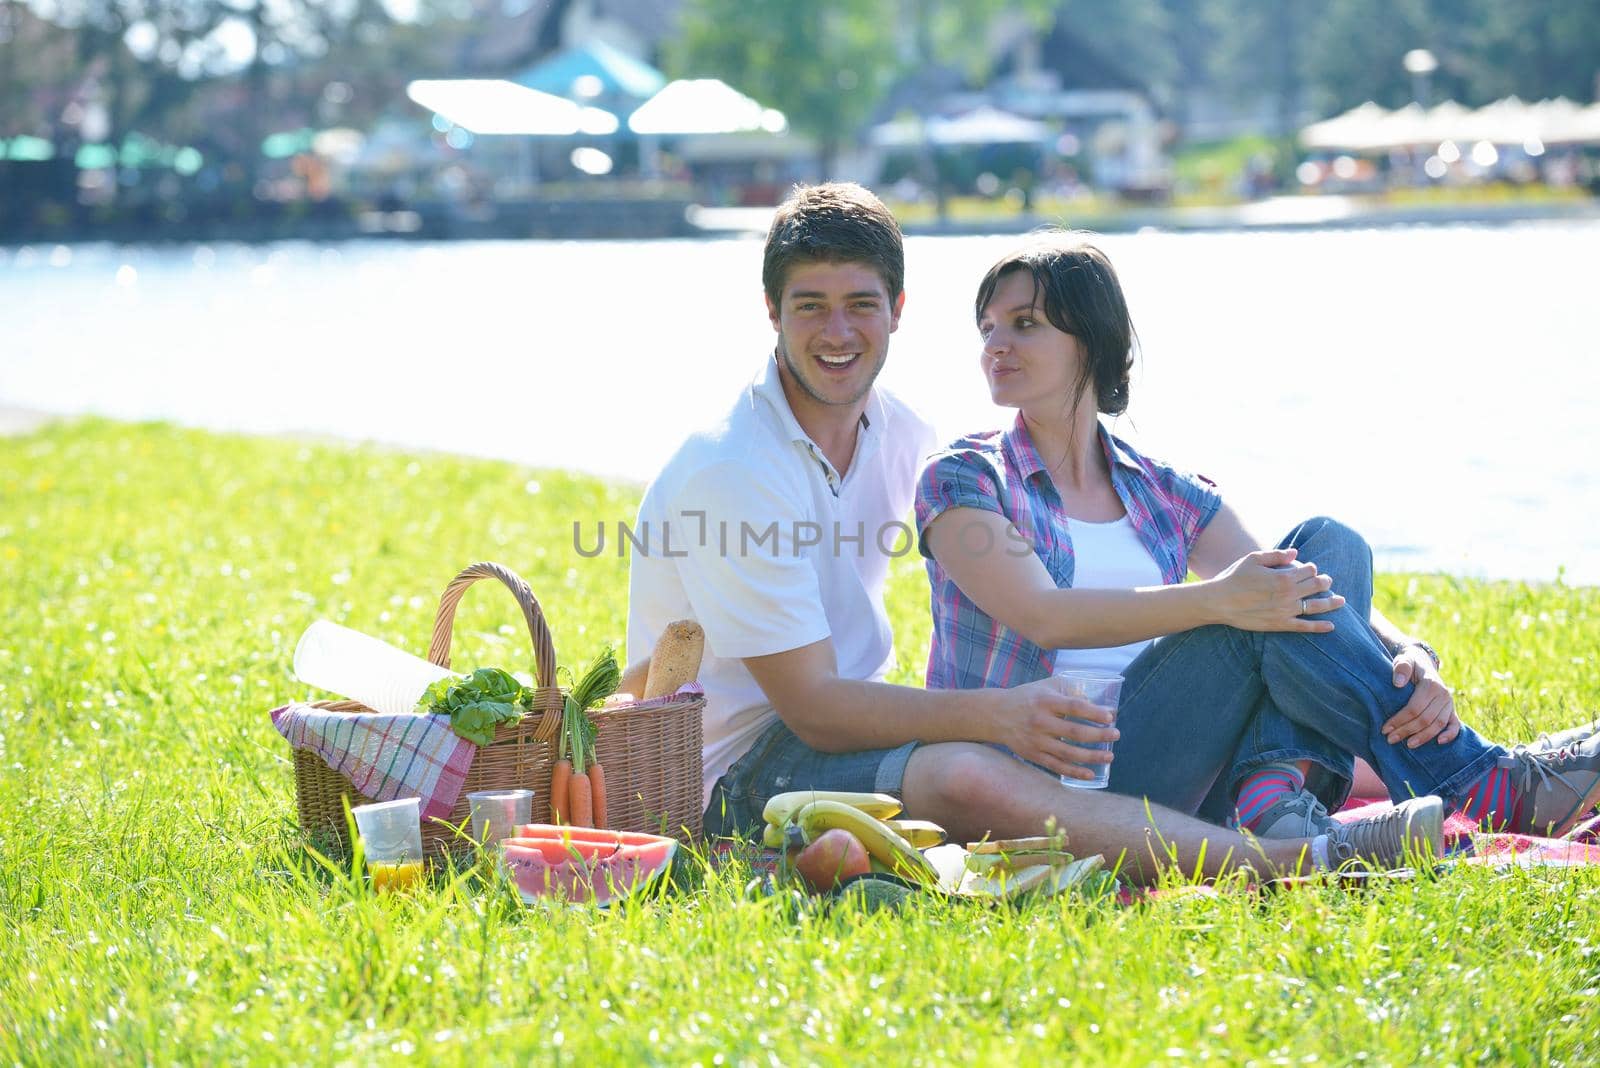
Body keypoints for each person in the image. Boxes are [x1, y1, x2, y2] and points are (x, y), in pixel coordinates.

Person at [626, 183, 1444, 884]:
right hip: (734, 773)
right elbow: (813, 711)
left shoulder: (900, 435)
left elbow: (1263, 571)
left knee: (1306, 583)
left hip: (879, 730)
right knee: (970, 775)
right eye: (810, 306)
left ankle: (1464, 778)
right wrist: (998, 714)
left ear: (897, 311)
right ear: (771, 311)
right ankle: (1295, 863)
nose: (837, 332)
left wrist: (1402, 648)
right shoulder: (735, 471)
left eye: (860, 305)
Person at [913, 232, 1600, 843]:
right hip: (1041, 779)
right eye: (987, 328)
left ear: (1089, 339)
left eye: (1023, 324)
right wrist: (1218, 601)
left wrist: (1407, 651)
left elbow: (1292, 581)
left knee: (1329, 542)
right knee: (1257, 603)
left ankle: (1268, 790)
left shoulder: (1161, 488)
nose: (994, 346)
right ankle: (1479, 778)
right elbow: (1043, 615)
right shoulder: (966, 478)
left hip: (1176, 757)